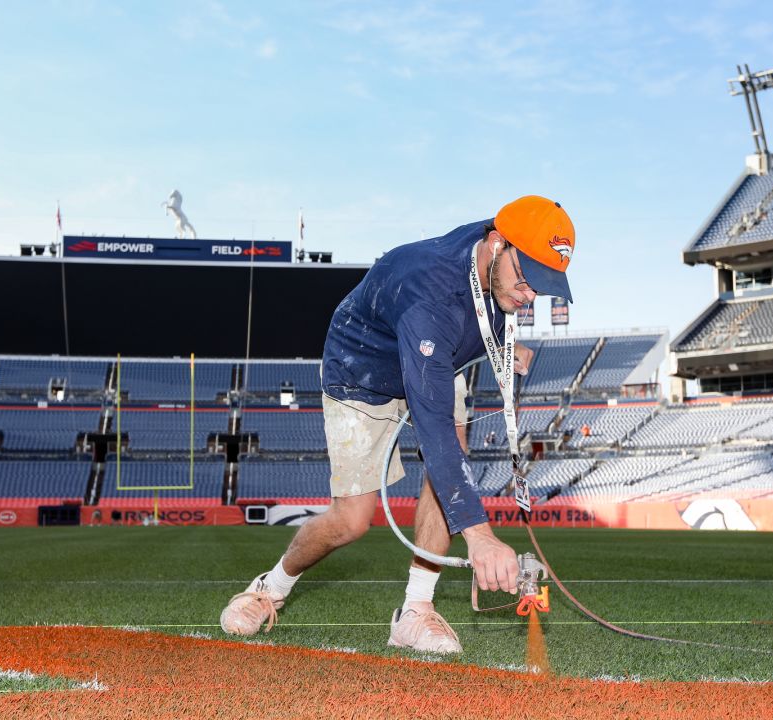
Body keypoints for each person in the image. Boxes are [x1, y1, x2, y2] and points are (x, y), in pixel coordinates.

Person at [219, 196, 576, 653]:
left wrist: (505, 342)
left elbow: (480, 312)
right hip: (361, 373)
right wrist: (481, 539)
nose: (529, 297)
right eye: (527, 281)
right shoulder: (429, 290)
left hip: (433, 360)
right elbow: (434, 428)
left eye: (540, 288)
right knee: (350, 522)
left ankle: (416, 610)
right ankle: (270, 587)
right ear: (496, 244)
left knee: (450, 470)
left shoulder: (494, 254)